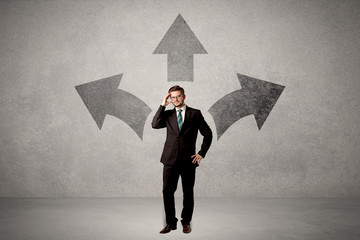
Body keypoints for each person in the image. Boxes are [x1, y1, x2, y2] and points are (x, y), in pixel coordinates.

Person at [152, 85, 213, 234]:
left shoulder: (195, 113)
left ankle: (186, 222)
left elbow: (208, 133)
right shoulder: (167, 115)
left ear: (184, 96)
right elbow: (154, 124)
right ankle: (170, 223)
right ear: (170, 99)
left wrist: (201, 153)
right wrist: (162, 105)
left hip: (188, 160)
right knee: (167, 192)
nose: (176, 99)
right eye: (173, 97)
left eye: (178, 96)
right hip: (169, 159)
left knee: (188, 192)